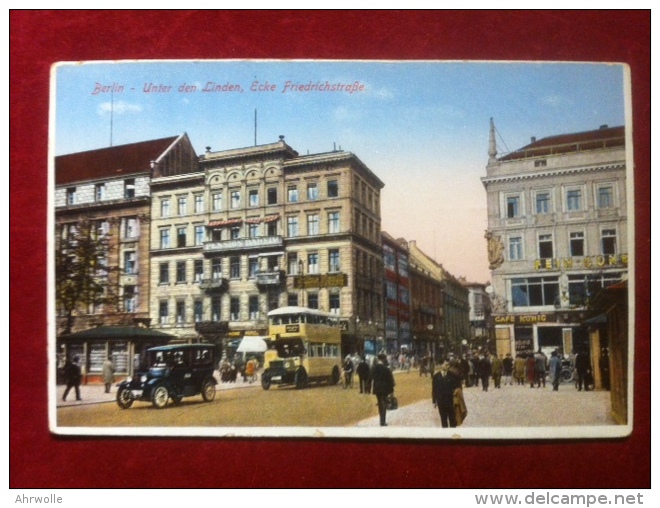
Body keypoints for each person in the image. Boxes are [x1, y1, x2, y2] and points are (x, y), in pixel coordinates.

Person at [432, 358, 462, 428]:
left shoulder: (453, 375)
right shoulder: (436, 376)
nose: (447, 366)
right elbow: (434, 389)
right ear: (441, 365)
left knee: (452, 421)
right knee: (443, 420)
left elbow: (459, 386)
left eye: (448, 364)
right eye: (446, 364)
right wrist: (434, 401)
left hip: (451, 401)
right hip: (441, 402)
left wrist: (457, 394)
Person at [371, 353, 395, 427]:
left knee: (380, 404)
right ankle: (382, 421)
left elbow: (370, 377)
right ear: (383, 359)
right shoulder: (386, 369)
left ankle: (381, 420)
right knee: (383, 404)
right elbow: (390, 380)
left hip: (377, 388)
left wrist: (368, 388)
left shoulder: (374, 368)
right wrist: (391, 391)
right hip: (385, 389)